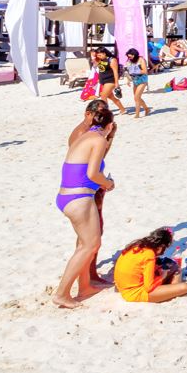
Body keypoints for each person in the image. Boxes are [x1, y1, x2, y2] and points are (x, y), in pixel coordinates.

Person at [53, 108, 116, 308]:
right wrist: (107, 183)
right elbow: (92, 174)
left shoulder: (84, 136)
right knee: (91, 245)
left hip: (66, 196)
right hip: (79, 197)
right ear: (109, 126)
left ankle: (85, 287)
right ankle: (62, 294)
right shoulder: (98, 139)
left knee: (83, 244)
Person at [113, 227, 187, 303]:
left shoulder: (137, 246)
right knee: (185, 287)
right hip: (134, 293)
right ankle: (186, 287)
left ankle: (175, 290)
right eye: (164, 248)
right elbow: (148, 287)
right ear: (160, 247)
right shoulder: (149, 255)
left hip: (123, 286)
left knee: (174, 269)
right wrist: (162, 276)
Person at [123, 48, 150, 118]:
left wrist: (135, 71)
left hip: (142, 79)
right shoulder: (129, 61)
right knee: (137, 98)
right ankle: (146, 109)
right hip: (135, 80)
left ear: (134, 55)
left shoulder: (141, 60)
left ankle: (137, 114)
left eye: (130, 56)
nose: (129, 58)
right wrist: (128, 80)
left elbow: (145, 71)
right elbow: (127, 72)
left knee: (136, 97)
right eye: (128, 56)